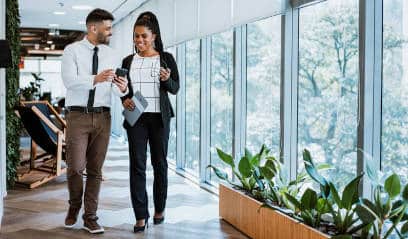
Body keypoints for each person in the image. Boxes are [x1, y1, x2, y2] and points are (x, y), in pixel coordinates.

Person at [61, 8, 128, 234]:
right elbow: (69, 81)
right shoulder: (72, 51)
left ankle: (90, 217)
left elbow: (117, 92)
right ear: (93, 28)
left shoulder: (112, 54)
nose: (110, 32)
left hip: (103, 116)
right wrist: (95, 78)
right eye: (107, 28)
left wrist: (123, 87)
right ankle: (74, 206)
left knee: (95, 170)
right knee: (75, 168)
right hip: (78, 115)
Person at [120, 11, 179, 233]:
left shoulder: (166, 59)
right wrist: (124, 97)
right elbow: (125, 91)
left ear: (154, 36)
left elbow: (175, 88)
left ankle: (160, 209)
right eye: (136, 36)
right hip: (137, 116)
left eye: (144, 36)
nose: (139, 41)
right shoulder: (128, 60)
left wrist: (166, 80)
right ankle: (140, 215)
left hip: (159, 118)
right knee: (137, 166)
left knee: (159, 164)